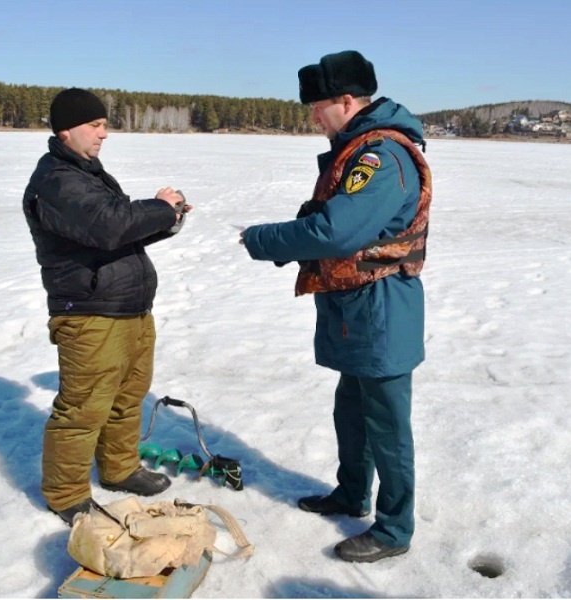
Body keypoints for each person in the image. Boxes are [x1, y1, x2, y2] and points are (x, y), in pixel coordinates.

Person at [240, 50, 432, 563]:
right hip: (356, 311)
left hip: (382, 310)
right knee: (352, 413)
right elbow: (334, 223)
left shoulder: (380, 157)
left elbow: (337, 230)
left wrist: (264, 240)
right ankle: (351, 494)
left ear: (346, 101)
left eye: (317, 106)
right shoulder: (357, 149)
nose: (312, 117)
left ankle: (394, 530)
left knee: (387, 427)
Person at [22, 88, 191, 526]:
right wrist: (159, 207)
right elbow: (110, 224)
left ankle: (119, 469)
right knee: (83, 409)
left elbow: (116, 232)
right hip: (89, 313)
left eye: (104, 124)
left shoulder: (87, 173)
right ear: (67, 130)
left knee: (127, 397)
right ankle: (65, 494)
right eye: (95, 125)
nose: (104, 133)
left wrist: (167, 218)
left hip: (128, 308)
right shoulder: (58, 181)